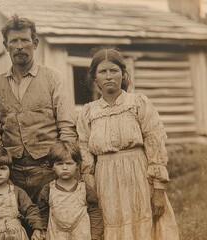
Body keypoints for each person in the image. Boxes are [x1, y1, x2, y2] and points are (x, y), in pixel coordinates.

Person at [76, 47, 179, 240]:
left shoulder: (138, 103)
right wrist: (90, 189)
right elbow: (84, 153)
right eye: (102, 71)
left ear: (123, 74)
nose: (108, 76)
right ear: (94, 77)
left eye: (113, 70)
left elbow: (154, 141)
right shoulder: (88, 112)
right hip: (105, 182)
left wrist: (158, 189)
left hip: (139, 177)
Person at [0, 14, 78, 205]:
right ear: (5, 45)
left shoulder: (53, 79)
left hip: (48, 170)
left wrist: (65, 169)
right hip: (12, 174)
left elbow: (67, 128)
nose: (19, 46)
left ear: (35, 43)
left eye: (24, 40)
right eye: (13, 41)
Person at [37, 141, 104, 240]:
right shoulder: (48, 190)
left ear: (77, 165)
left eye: (69, 163)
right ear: (52, 166)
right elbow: (43, 214)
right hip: (56, 234)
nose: (65, 168)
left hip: (81, 234)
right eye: (60, 164)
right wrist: (41, 231)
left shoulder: (85, 190)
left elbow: (94, 214)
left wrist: (95, 236)